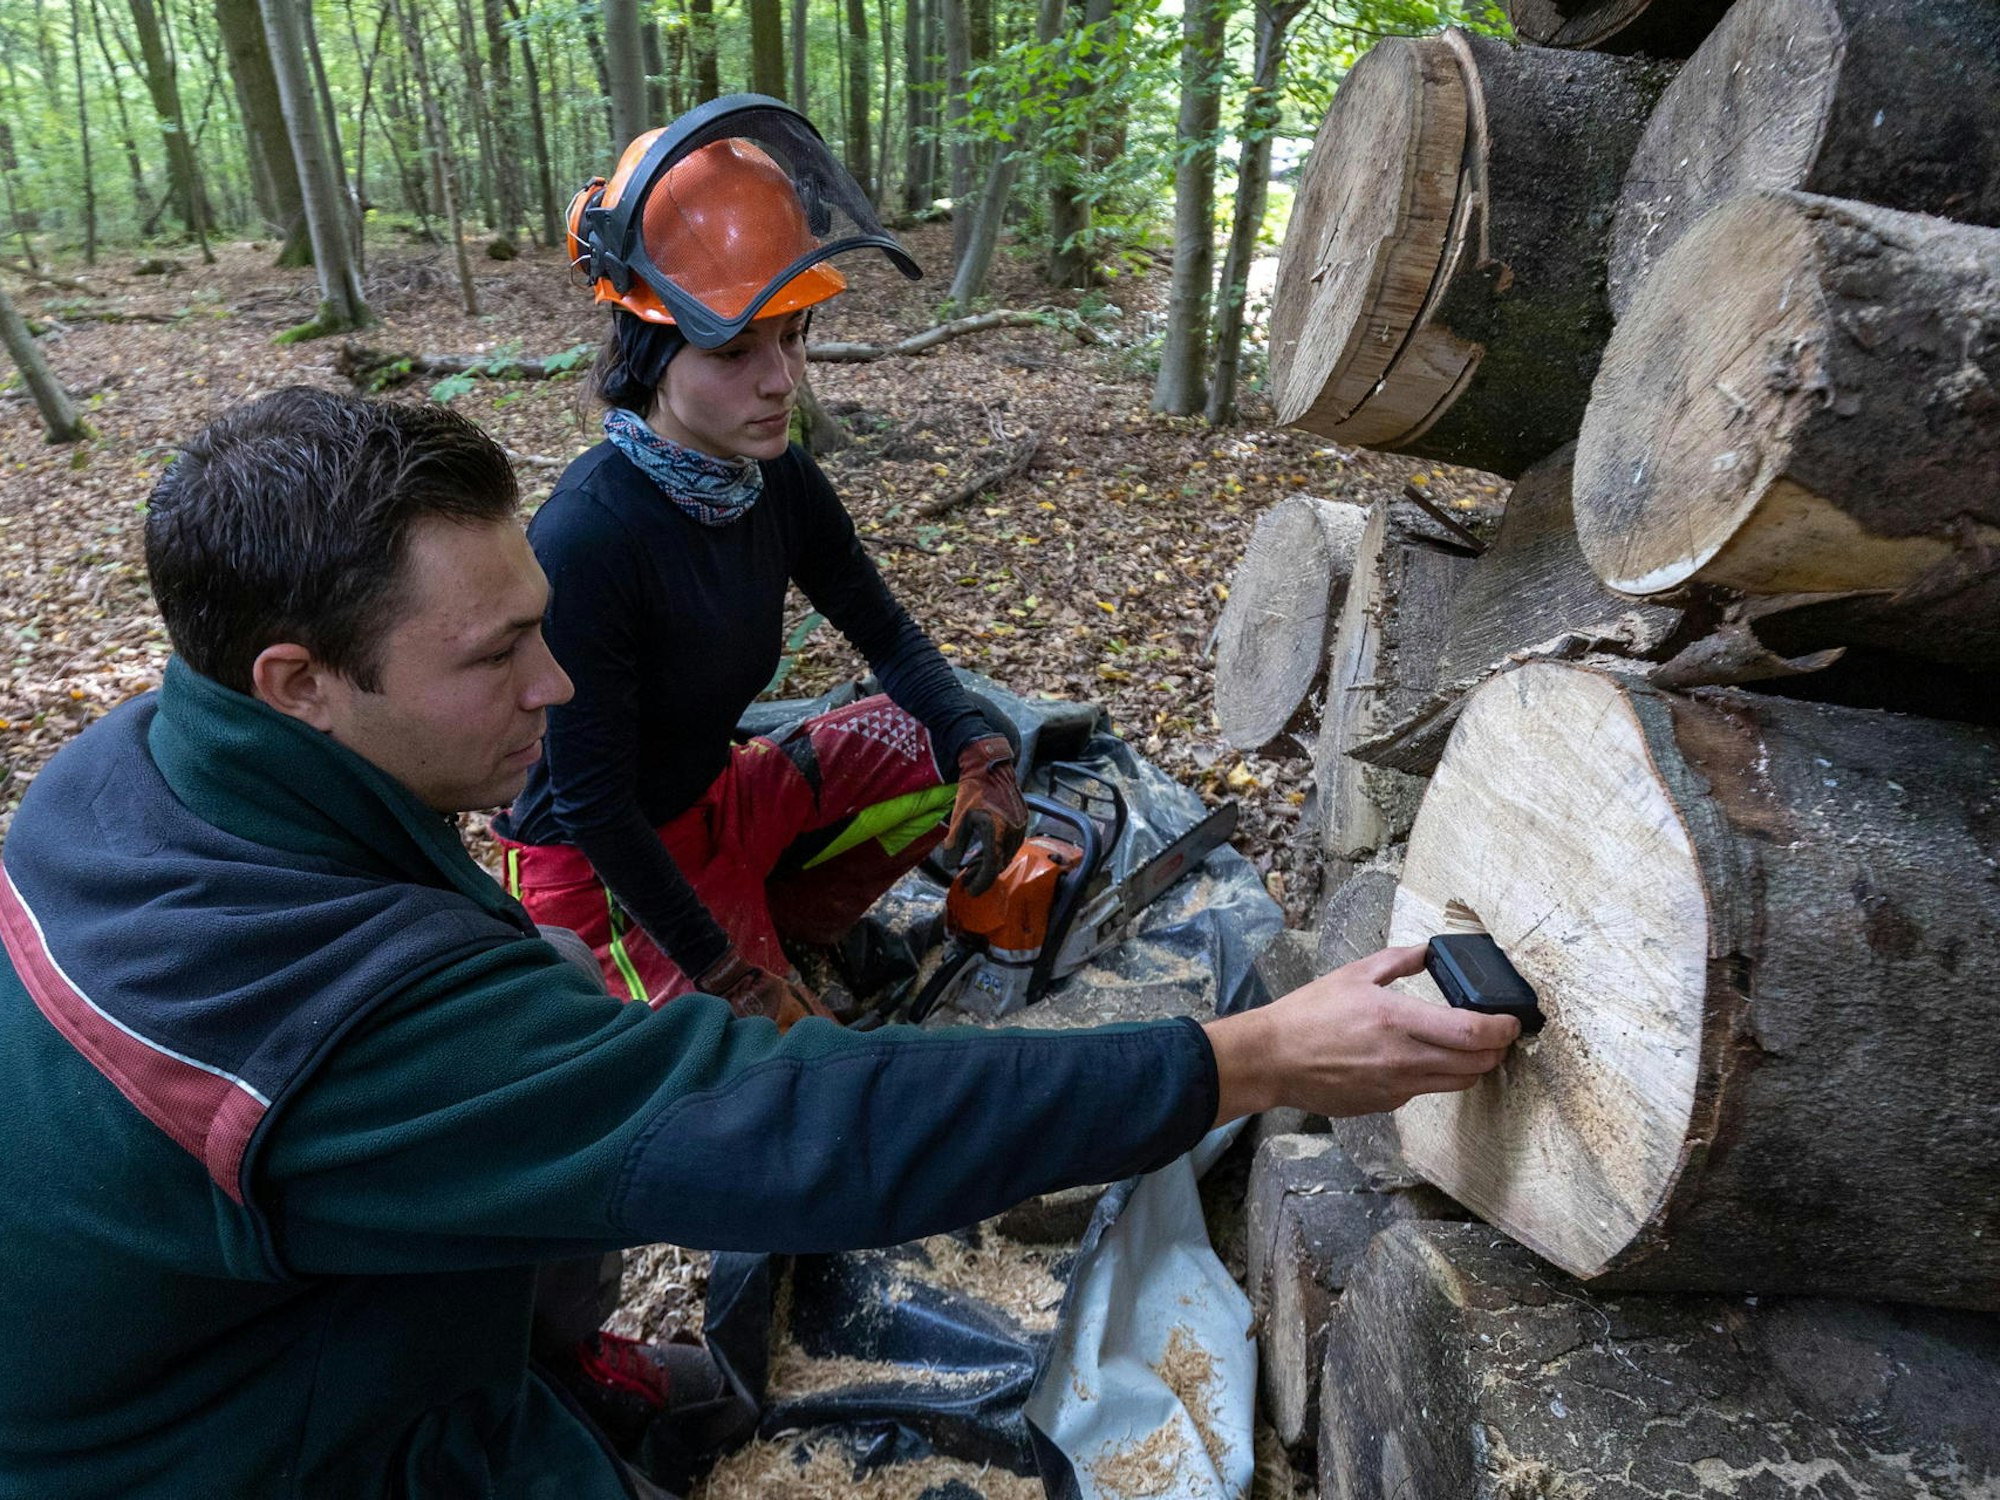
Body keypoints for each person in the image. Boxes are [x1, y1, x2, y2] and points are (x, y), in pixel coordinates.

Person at [0, 388, 1519, 1498]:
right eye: (498, 655)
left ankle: (552, 1371)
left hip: (233, 1302)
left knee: (543, 993)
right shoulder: (329, 1035)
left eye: (544, 624)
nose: (559, 683)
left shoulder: (129, 766)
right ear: (300, 680)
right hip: (220, 1450)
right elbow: (790, 1123)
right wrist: (1246, 1054)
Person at [492, 97, 1029, 1026]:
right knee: (782, 1093)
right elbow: (589, 806)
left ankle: (793, 922)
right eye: (737, 350)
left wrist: (980, 751)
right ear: (653, 352)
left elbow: (884, 630)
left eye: (792, 338)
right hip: (601, 873)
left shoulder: (770, 477)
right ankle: (753, 958)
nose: (781, 380)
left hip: (721, 798)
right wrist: (726, 971)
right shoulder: (588, 538)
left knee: (943, 734)